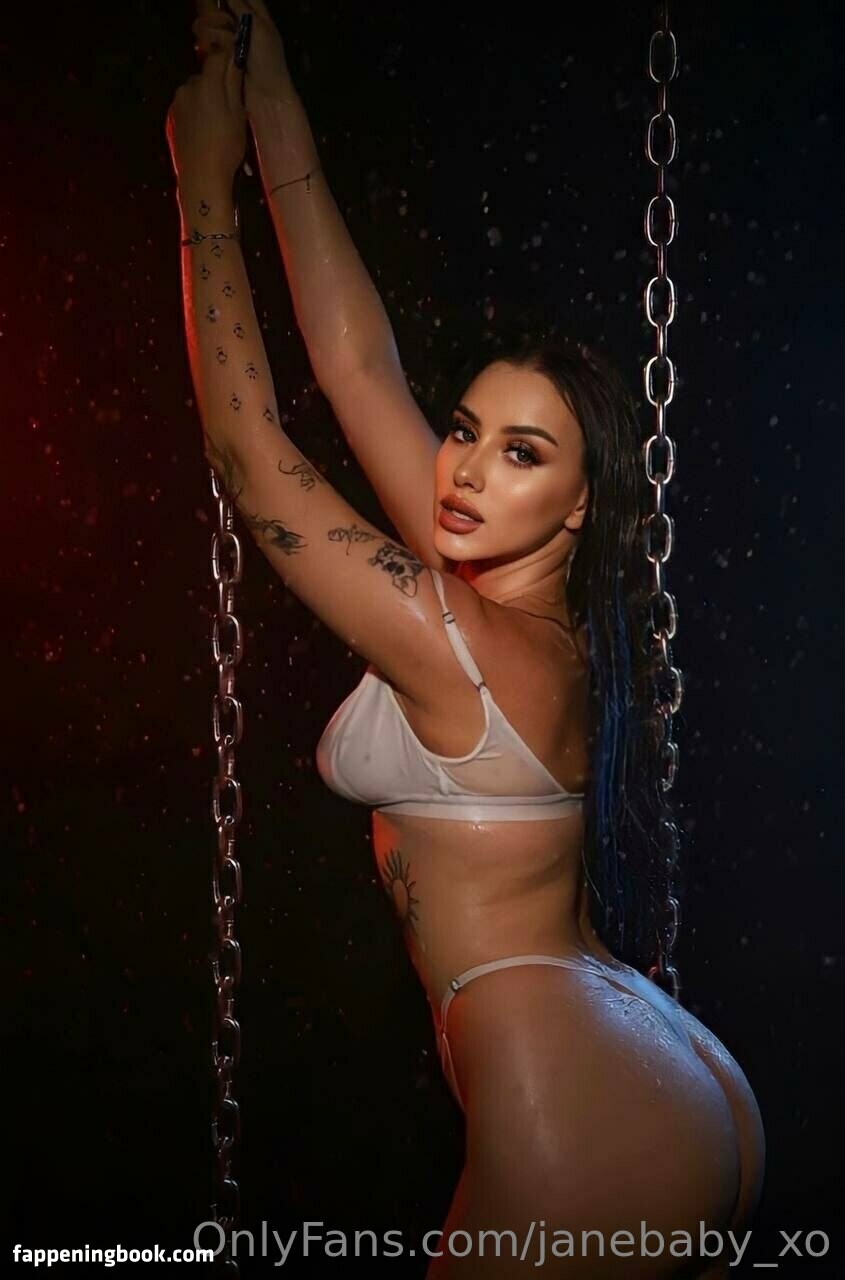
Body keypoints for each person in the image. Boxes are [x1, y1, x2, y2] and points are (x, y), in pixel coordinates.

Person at [166, 3, 765, 1274]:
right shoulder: (539, 625)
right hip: (660, 1066)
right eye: (464, 429)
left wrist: (199, 188)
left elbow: (250, 458)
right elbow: (356, 368)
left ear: (580, 501)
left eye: (522, 452)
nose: (467, 469)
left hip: (582, 1110)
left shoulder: (460, 639)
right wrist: (272, 106)